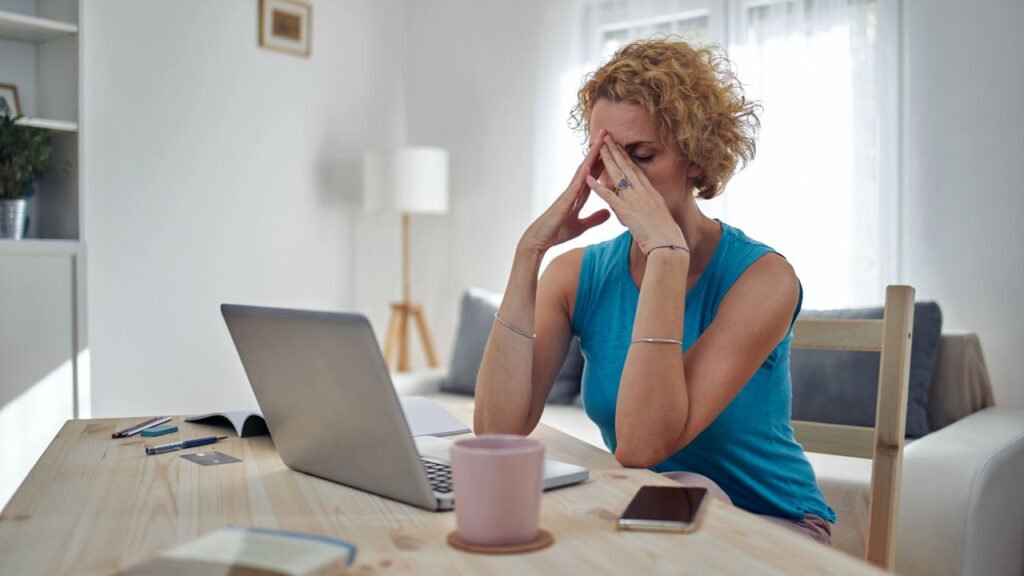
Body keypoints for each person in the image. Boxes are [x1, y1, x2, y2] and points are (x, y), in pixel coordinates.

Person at [473, 38, 835, 545]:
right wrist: (528, 253)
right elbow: (497, 432)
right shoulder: (576, 274)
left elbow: (642, 446)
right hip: (656, 517)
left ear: (696, 157)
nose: (618, 179)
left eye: (640, 156)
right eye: (604, 157)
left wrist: (666, 255)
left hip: (773, 526)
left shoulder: (764, 279)